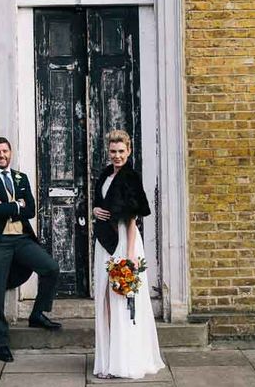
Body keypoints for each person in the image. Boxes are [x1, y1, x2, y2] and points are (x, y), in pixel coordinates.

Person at [0, 136, 62, 363]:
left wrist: (8, 206)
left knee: (51, 268)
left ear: (10, 153)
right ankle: (1, 342)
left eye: (5, 151)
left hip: (21, 239)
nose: (1, 156)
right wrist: (17, 205)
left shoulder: (20, 178)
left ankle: (37, 314)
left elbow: (31, 209)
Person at [92, 129, 165, 379]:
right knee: (104, 299)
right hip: (105, 242)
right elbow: (100, 203)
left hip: (125, 241)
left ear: (129, 151)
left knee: (122, 298)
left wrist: (131, 254)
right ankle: (108, 360)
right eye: (113, 151)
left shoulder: (131, 177)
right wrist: (94, 211)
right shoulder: (104, 175)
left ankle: (123, 362)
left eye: (121, 151)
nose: (117, 156)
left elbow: (133, 218)